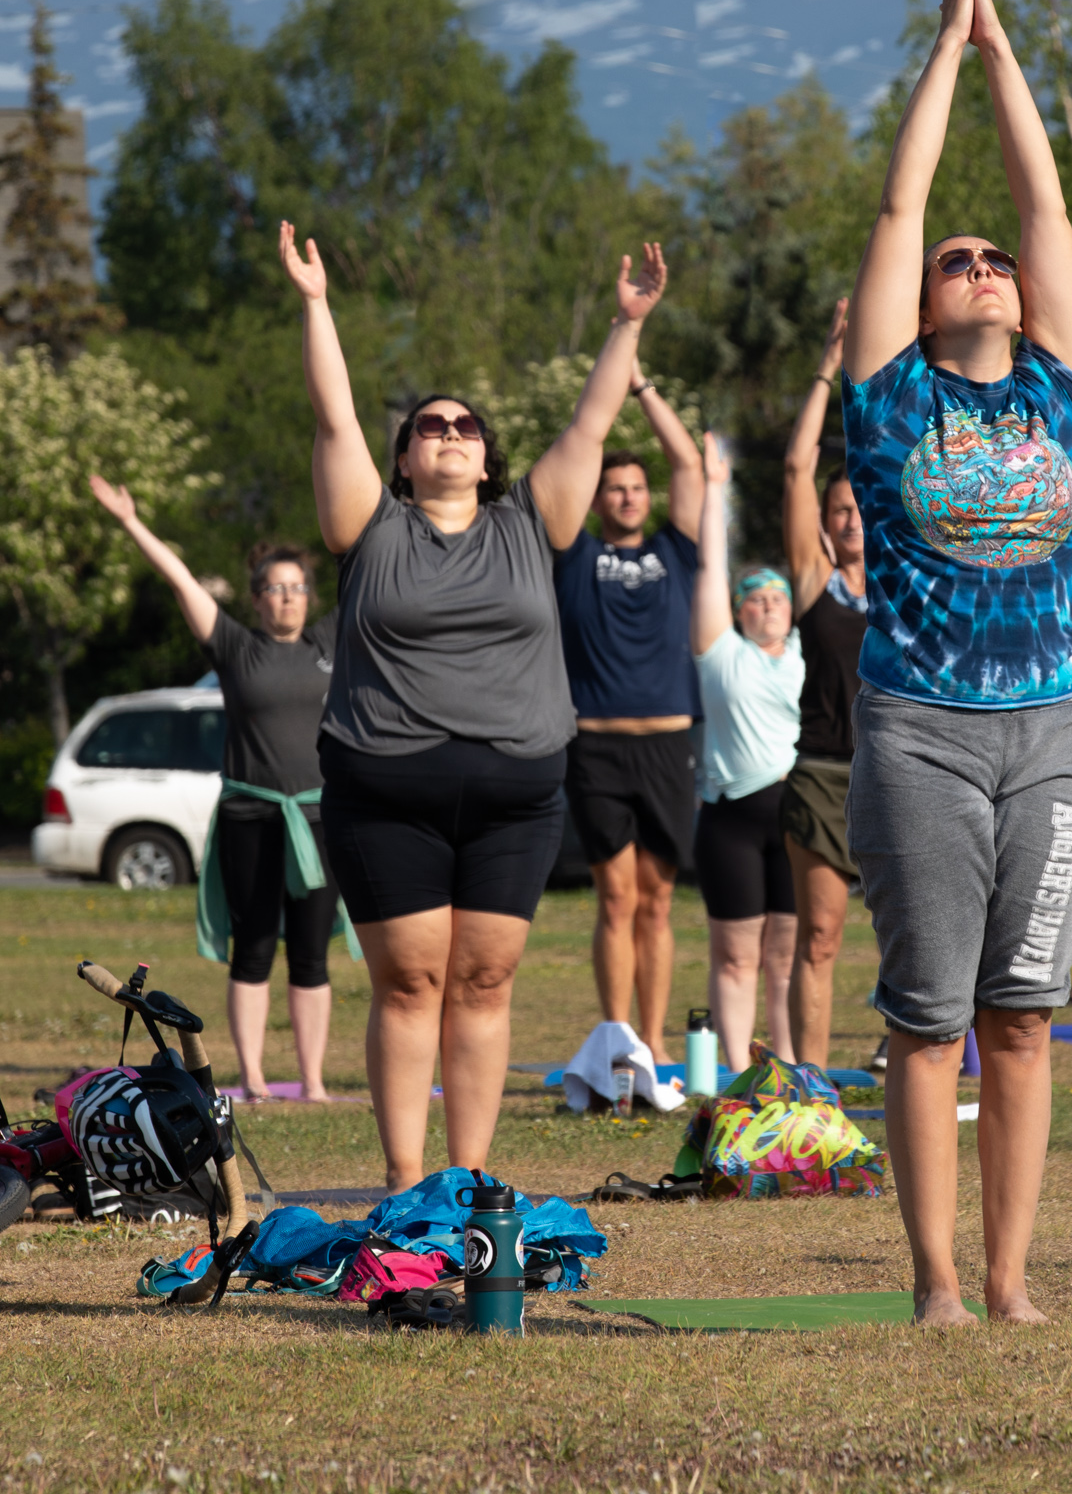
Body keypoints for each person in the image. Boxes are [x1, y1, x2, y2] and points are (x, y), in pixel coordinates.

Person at [278, 218, 668, 1189]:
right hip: (387, 785)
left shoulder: (532, 521)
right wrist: (318, 304)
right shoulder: (370, 526)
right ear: (404, 456)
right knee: (410, 981)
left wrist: (626, 327)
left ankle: (471, 1182)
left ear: (488, 458)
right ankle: (409, 1183)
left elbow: (587, 423)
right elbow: (333, 419)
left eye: (466, 427)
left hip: (515, 791)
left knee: (485, 980)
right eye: (428, 426)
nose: (448, 435)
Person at [841, 0, 1072, 1327]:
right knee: (930, 1018)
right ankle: (935, 1282)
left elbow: (1049, 214)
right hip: (923, 735)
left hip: (1056, 733)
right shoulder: (890, 403)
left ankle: (1010, 1281)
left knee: (1022, 1015)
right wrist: (943, 49)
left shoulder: (1057, 390)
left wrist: (1009, 54)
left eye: (994, 261)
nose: (986, 264)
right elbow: (896, 217)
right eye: (963, 262)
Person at [88, 480, 341, 1102]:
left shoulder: (327, 644)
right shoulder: (235, 647)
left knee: (311, 953)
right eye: (274, 588)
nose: (287, 597)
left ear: (310, 596)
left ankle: (313, 1081)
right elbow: (182, 581)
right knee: (253, 947)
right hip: (250, 814)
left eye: (297, 587)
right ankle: (252, 1077)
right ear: (255, 599)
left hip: (314, 818)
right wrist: (131, 521)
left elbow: (373, 572)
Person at [554, 367, 703, 1063]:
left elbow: (688, 463)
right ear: (596, 497)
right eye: (614, 487)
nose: (626, 495)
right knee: (615, 898)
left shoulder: (677, 549)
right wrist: (603, 400)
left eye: (636, 488)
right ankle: (616, 1042)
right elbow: (576, 460)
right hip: (596, 747)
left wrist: (644, 388)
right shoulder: (574, 556)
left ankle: (653, 1043)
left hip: (670, 745)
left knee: (657, 900)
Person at [690, 434, 804, 1074]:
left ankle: (786, 1064)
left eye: (778, 597)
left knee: (785, 956)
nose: (767, 606)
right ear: (738, 611)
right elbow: (709, 569)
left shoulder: (805, 658)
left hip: (794, 820)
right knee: (735, 955)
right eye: (755, 598)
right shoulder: (720, 653)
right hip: (730, 818)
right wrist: (714, 489)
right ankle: (737, 1070)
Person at [780, 297, 866, 1067]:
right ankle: (811, 1080)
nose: (846, 518)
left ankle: (920, 1060)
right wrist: (829, 366)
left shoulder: (908, 578)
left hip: (903, 766)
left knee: (923, 937)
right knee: (821, 936)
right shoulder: (814, 581)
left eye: (855, 507)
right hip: (822, 772)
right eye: (836, 510)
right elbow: (796, 465)